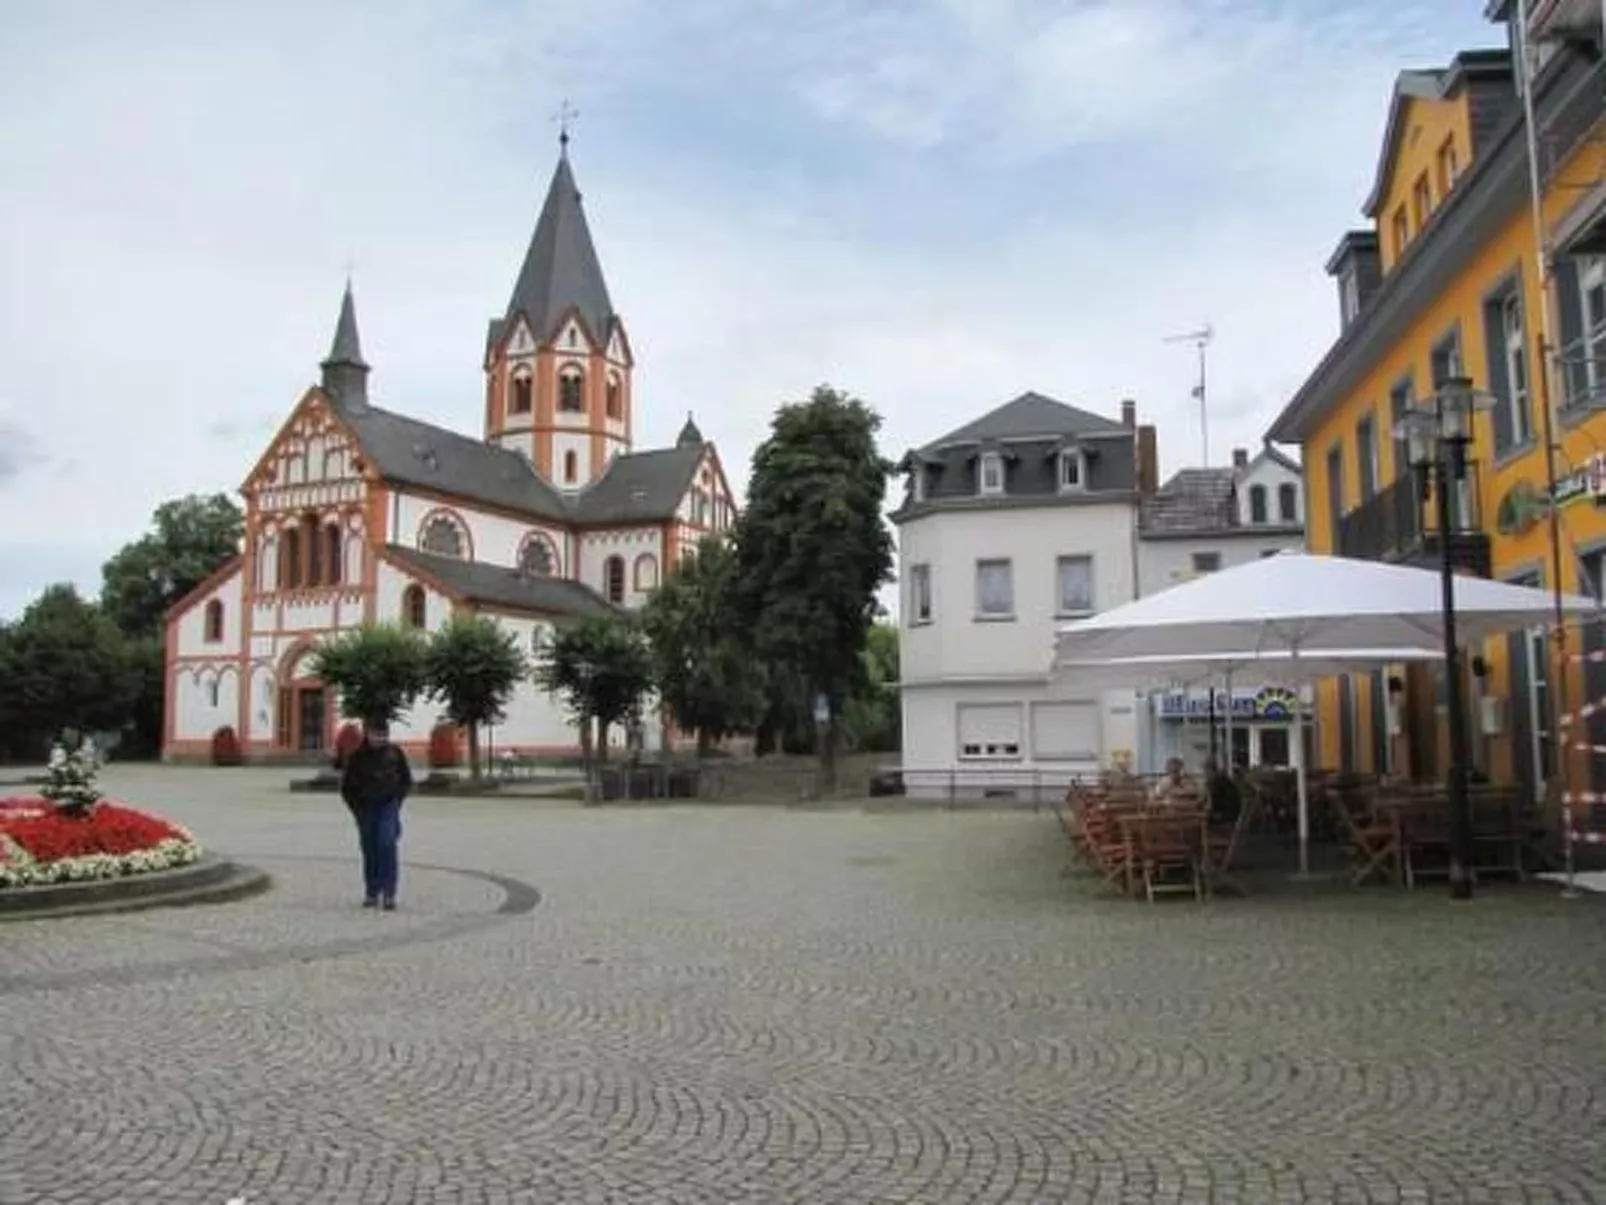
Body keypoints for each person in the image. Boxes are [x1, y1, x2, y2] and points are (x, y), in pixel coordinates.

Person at [339, 719, 412, 910]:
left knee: (387, 844)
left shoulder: (395, 753)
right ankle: (372, 890)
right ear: (368, 734)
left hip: (388, 805)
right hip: (366, 808)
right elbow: (346, 788)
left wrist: (397, 800)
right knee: (370, 849)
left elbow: (406, 779)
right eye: (376, 734)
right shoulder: (357, 757)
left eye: (383, 735)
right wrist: (357, 810)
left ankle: (389, 893)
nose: (380, 739)